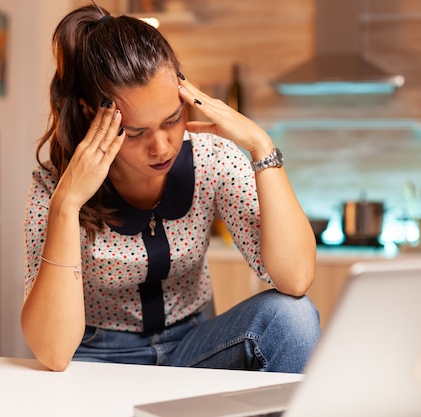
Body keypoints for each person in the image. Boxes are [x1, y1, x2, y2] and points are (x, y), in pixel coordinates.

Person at [21, 3, 321, 373]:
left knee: (293, 316)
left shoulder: (213, 159)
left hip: (195, 347)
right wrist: (66, 205)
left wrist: (261, 146)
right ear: (89, 112)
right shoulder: (54, 185)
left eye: (172, 119)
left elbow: (296, 278)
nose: (161, 146)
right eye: (135, 133)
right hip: (99, 359)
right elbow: (52, 353)